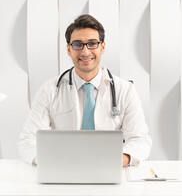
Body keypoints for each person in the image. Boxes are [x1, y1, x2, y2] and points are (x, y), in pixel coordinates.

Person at [18, 14, 151, 166]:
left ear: (103, 47)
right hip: (63, 169)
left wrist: (117, 160)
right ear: (69, 49)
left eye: (92, 43)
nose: (85, 52)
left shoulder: (125, 90)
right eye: (77, 44)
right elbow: (27, 140)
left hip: (109, 168)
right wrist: (53, 162)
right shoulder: (49, 90)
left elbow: (140, 140)